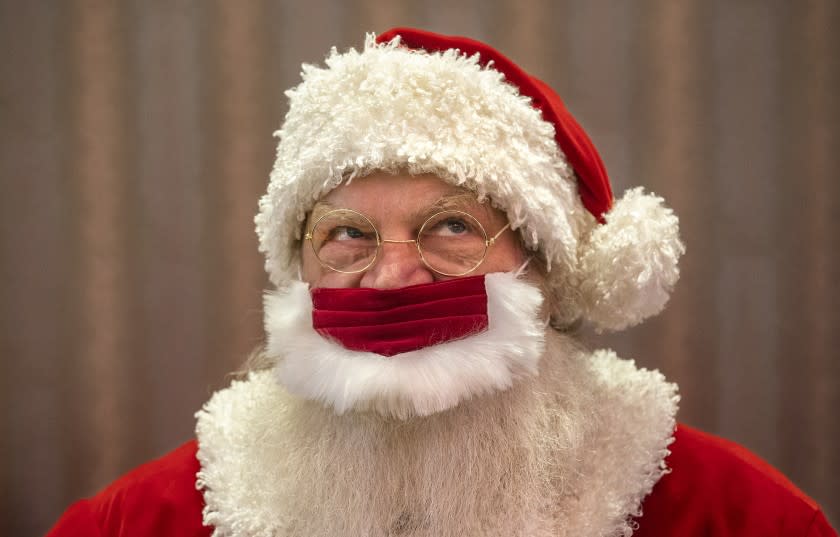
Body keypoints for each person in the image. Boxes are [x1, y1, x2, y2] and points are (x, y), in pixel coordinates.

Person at [47, 27, 835, 537]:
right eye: (347, 235)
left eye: (452, 227)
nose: (393, 276)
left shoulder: (734, 516)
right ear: (300, 267)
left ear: (547, 272)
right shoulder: (142, 521)